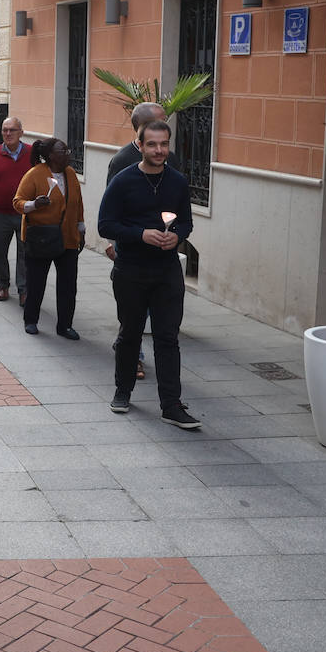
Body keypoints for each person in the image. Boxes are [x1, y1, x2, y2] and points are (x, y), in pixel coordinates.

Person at [98, 120, 199, 429]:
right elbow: (105, 224)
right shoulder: (123, 180)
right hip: (131, 270)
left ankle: (171, 405)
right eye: (152, 144)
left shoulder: (177, 181)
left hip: (167, 271)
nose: (159, 150)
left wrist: (177, 235)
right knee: (130, 334)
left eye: (164, 144)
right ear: (140, 145)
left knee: (168, 337)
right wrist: (140, 234)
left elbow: (186, 222)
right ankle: (123, 391)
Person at [105, 102, 181, 379]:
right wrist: (116, 241)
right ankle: (131, 354)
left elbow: (180, 206)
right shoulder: (122, 161)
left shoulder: (171, 158)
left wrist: (177, 233)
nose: (166, 123)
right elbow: (110, 212)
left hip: (162, 251)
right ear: (143, 128)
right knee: (133, 308)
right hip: (132, 249)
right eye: (161, 119)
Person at [15, 139, 85, 339]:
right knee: (36, 283)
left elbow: (78, 203)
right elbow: (18, 203)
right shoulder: (35, 174)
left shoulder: (70, 174)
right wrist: (34, 204)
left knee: (68, 285)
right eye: (63, 151)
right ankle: (31, 320)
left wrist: (81, 227)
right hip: (41, 238)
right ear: (51, 156)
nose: (68, 154)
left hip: (68, 238)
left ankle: (65, 325)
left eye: (67, 150)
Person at [0, 117, 30, 303]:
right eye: (5, 130)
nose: (8, 133)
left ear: (21, 133)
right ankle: (2, 286)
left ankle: (24, 290)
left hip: (24, 213)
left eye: (12, 130)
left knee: (25, 253)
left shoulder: (31, 153)